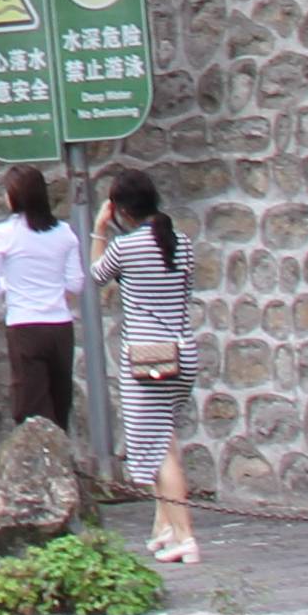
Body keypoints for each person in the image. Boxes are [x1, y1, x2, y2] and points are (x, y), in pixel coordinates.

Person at [94, 167, 203, 567]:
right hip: (183, 350)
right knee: (167, 439)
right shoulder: (181, 243)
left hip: (147, 355)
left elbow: (96, 276)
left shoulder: (127, 247)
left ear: (121, 208)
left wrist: (98, 231)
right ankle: (166, 528)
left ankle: (186, 536)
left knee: (158, 452)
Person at [0, 166, 87, 434]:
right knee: (59, 401)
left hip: (24, 325)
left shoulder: (3, 234)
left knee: (32, 408)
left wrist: (12, 283)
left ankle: (41, 468)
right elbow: (76, 283)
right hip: (60, 326)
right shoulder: (64, 233)